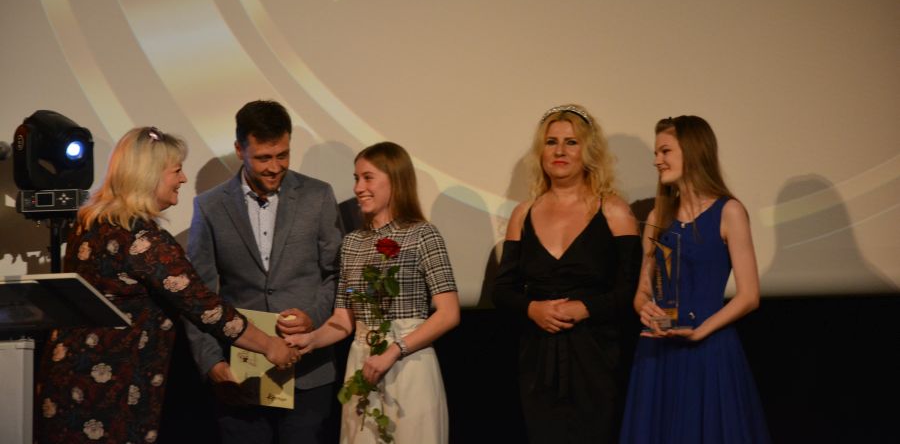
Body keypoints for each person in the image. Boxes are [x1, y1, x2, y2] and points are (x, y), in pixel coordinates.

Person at [34, 126, 299, 444]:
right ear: (149, 175)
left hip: (68, 379)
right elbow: (206, 308)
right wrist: (270, 346)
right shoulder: (143, 239)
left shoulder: (90, 222)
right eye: (176, 170)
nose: (183, 179)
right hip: (111, 393)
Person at [184, 100, 343, 444]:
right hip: (240, 374)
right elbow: (198, 296)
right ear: (239, 150)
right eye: (263, 158)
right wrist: (211, 363)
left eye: (283, 155)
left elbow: (336, 275)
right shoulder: (209, 206)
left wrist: (313, 317)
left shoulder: (318, 195)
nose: (275, 167)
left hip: (308, 371)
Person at [288, 141, 460, 444]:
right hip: (363, 364)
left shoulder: (423, 234)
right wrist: (311, 340)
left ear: (395, 180)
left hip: (410, 363)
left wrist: (394, 350)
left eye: (368, 178)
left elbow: (448, 314)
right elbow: (343, 318)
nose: (358, 188)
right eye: (356, 178)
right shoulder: (352, 243)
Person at [492, 104, 642, 443]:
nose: (560, 151)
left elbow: (630, 288)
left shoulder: (614, 211)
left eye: (571, 142)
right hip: (538, 358)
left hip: (596, 355)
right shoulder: (523, 214)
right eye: (551, 142)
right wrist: (533, 309)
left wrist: (586, 307)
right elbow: (502, 290)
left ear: (588, 151)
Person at [619, 116, 770, 443]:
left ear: (692, 150)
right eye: (656, 152)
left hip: (709, 348)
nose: (657, 160)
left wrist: (701, 331)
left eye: (665, 151)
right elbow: (643, 291)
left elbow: (749, 296)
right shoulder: (658, 216)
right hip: (658, 351)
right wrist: (645, 308)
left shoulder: (729, 212)